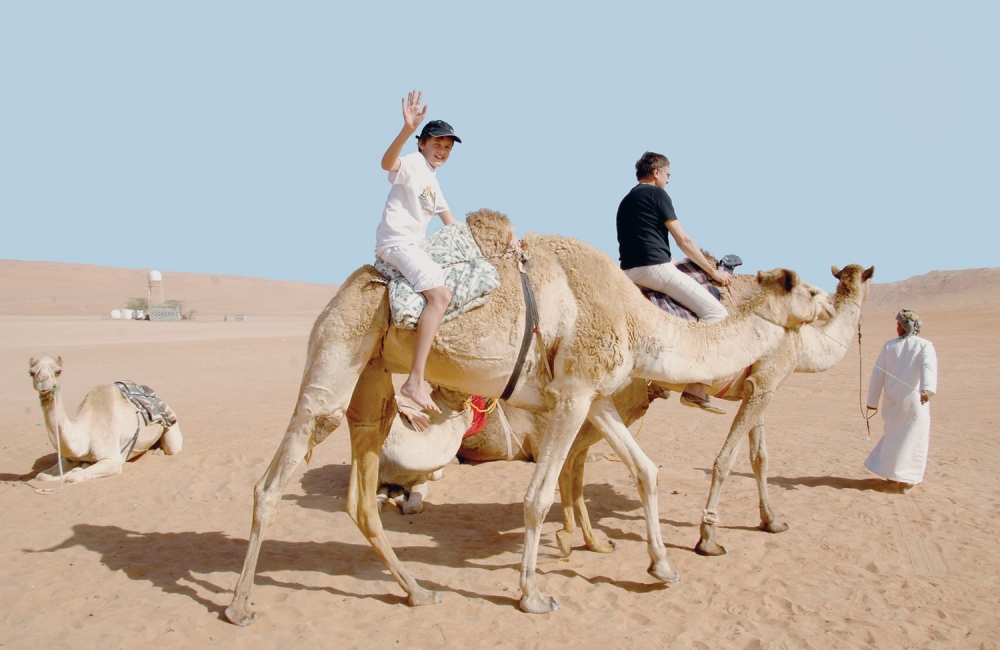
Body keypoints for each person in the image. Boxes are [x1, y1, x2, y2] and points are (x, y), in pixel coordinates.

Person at [616, 151, 733, 414]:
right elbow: (685, 241)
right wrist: (714, 273)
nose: (669, 181)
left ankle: (659, 381)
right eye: (668, 175)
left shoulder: (626, 200)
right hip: (655, 270)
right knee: (717, 314)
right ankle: (697, 384)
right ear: (656, 172)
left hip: (626, 274)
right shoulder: (658, 194)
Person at [376, 90, 460, 417]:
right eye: (437, 144)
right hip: (396, 243)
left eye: (447, 148)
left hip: (414, 246)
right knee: (440, 297)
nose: (442, 151)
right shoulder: (412, 164)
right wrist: (406, 129)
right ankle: (415, 380)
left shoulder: (434, 182)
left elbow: (451, 224)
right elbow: (386, 163)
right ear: (422, 144)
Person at [864, 309, 938, 493]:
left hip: (895, 402)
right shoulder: (924, 346)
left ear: (907, 327)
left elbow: (877, 375)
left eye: (899, 324)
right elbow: (928, 367)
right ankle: (907, 480)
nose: (897, 328)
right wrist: (927, 389)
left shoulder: (890, 346)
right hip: (915, 403)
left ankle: (894, 476)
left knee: (894, 437)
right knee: (913, 438)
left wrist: (872, 401)